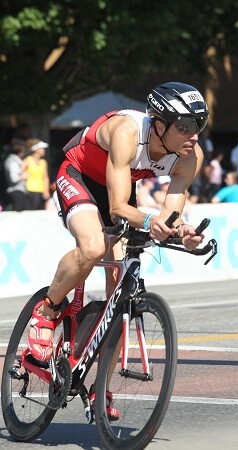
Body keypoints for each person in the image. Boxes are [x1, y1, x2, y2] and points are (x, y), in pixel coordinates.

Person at [27, 81, 209, 366]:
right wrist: (151, 221)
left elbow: (171, 209)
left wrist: (179, 229)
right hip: (79, 176)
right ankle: (46, 312)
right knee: (93, 246)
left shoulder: (190, 156)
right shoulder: (128, 131)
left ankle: (101, 391)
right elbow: (117, 209)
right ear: (160, 125)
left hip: (120, 187)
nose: (194, 136)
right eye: (185, 127)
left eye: (200, 125)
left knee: (120, 295)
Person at [23, 139, 50, 210]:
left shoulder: (43, 162)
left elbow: (45, 177)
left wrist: (46, 191)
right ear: (36, 149)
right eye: (42, 148)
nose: (44, 150)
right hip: (30, 190)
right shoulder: (27, 160)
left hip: (41, 191)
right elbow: (20, 174)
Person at [3, 140, 30, 211]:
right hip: (17, 192)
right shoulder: (13, 162)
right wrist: (23, 176)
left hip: (19, 191)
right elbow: (14, 179)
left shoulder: (15, 160)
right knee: (18, 215)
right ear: (21, 150)